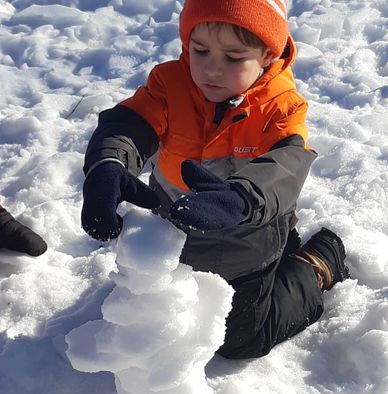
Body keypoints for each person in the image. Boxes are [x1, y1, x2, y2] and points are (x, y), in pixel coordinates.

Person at [81, 0, 350, 359]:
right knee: (152, 315)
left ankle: (316, 263)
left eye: (234, 58)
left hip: (247, 234)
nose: (212, 68)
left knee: (241, 338)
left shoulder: (281, 105)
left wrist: (240, 198)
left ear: (267, 55)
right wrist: (108, 162)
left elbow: (287, 164)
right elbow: (130, 124)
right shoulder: (169, 84)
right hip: (175, 224)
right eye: (200, 50)